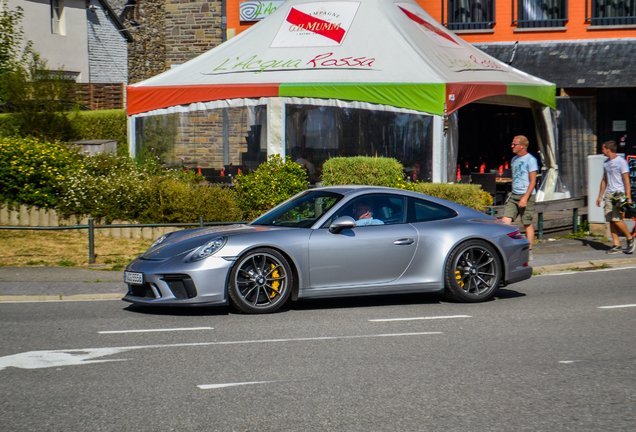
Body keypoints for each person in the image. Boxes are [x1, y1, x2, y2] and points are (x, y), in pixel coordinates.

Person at [502, 135, 538, 260]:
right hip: (514, 194)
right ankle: (506, 250)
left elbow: (533, 181)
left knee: (527, 223)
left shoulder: (531, 160)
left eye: (514, 144)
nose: (512, 146)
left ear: (522, 146)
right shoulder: (514, 159)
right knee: (505, 222)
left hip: (526, 195)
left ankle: (529, 251)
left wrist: (525, 197)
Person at [595, 140, 634, 254]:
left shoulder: (621, 162)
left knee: (617, 219)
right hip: (608, 194)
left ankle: (630, 238)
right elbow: (604, 180)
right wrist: (600, 196)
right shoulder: (606, 163)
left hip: (619, 194)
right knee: (611, 220)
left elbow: (627, 180)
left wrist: (628, 197)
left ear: (608, 149)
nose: (602, 151)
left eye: (603, 148)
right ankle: (616, 244)